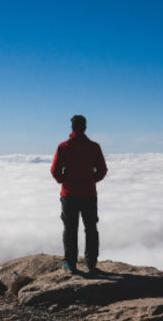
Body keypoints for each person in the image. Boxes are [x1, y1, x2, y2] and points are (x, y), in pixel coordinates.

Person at [50, 115, 108, 274]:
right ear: (85, 127)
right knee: (91, 228)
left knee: (70, 229)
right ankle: (91, 263)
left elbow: (55, 171)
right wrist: (91, 181)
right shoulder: (94, 147)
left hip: (69, 194)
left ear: (72, 128)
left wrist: (65, 181)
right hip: (89, 194)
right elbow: (102, 170)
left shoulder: (64, 147)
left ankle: (70, 263)